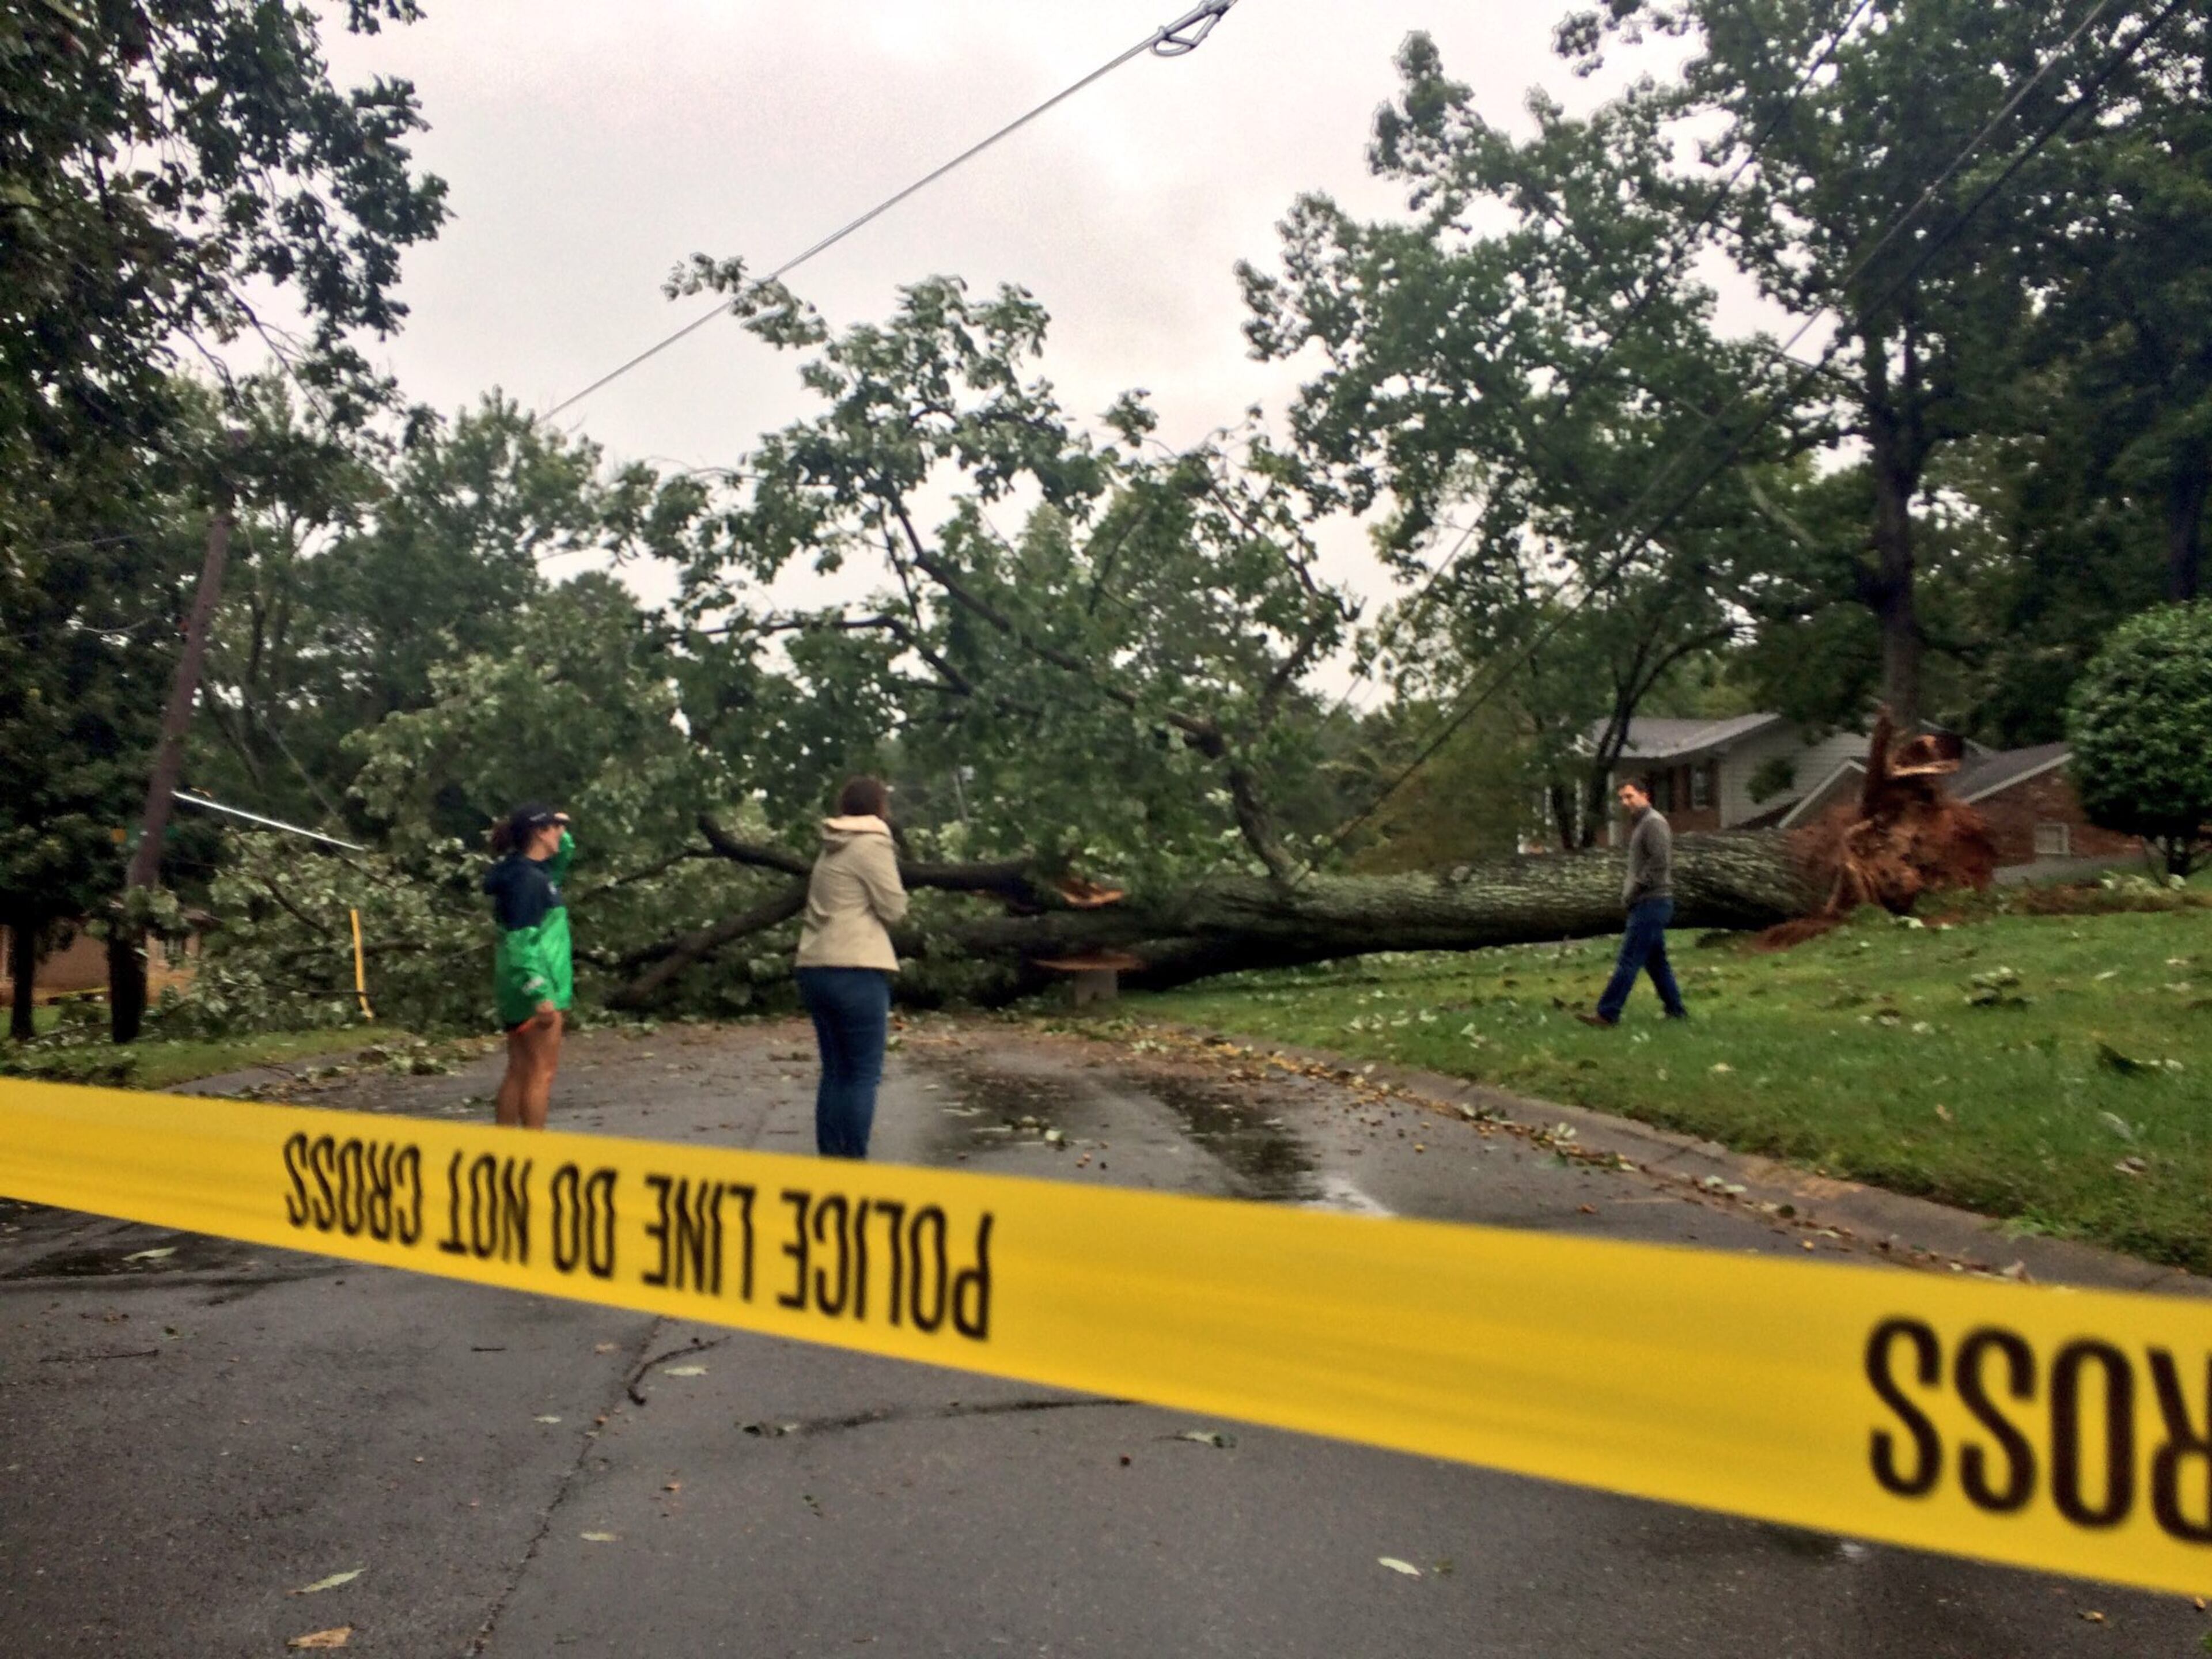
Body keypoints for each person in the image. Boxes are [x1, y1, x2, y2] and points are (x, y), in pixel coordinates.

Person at [794, 777, 909, 1159]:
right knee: (862, 1074)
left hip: (815, 968)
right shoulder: (873, 844)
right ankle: (854, 1164)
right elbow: (894, 908)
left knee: (835, 1072)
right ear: (881, 808)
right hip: (856, 970)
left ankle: (831, 1159)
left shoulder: (831, 847)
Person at [484, 803, 574, 1129]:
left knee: (519, 1071)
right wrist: (540, 992)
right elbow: (521, 942)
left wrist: (558, 821)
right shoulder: (529, 882)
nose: (561, 833)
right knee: (541, 1073)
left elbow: (564, 853)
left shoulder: (527, 871)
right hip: (536, 982)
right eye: (554, 828)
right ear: (539, 832)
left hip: (514, 984)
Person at [1578, 779, 1687, 1027]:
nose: (1626, 803)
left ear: (1644, 795)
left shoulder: (1654, 824)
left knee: (1629, 959)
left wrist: (1636, 888)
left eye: (1630, 796)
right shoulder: (1642, 825)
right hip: (1648, 902)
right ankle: (1676, 1011)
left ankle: (1607, 1013)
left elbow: (1660, 862)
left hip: (1652, 901)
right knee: (1656, 961)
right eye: (1623, 799)